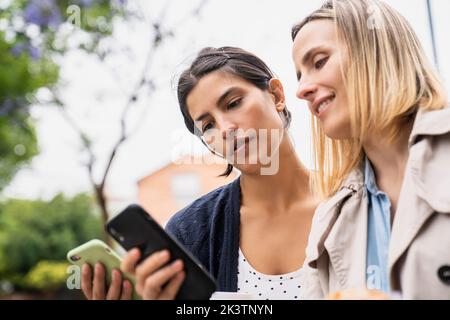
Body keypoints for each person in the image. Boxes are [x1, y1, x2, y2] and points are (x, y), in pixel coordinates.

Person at [81, 46, 318, 300]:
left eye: (234, 103)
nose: (225, 129)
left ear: (276, 94)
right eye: (208, 126)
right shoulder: (190, 232)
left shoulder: (354, 200)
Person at [291, 0, 450, 299]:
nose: (301, 89)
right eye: (299, 75)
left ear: (375, 52)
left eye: (319, 61)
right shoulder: (328, 220)